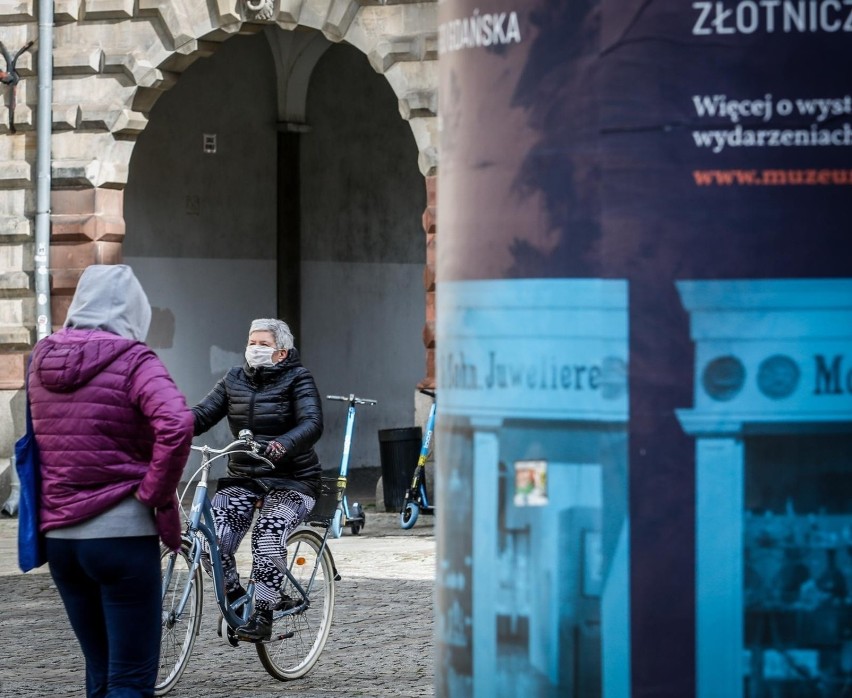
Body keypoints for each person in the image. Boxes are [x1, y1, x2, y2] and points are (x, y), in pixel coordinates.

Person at [27, 264, 194, 698]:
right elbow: (177, 423)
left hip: (62, 539)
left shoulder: (40, 359)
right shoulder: (134, 359)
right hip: (121, 535)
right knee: (131, 679)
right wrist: (153, 491)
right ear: (135, 310)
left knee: (99, 673)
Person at [192, 318, 323, 642]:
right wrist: (168, 424)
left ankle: (263, 615)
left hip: (292, 479)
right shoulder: (234, 379)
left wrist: (282, 445)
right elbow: (203, 414)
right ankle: (237, 598)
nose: (255, 349)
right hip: (245, 477)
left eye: (263, 344)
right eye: (252, 342)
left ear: (281, 352)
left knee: (268, 534)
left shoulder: (298, 378)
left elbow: (312, 422)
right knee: (211, 539)